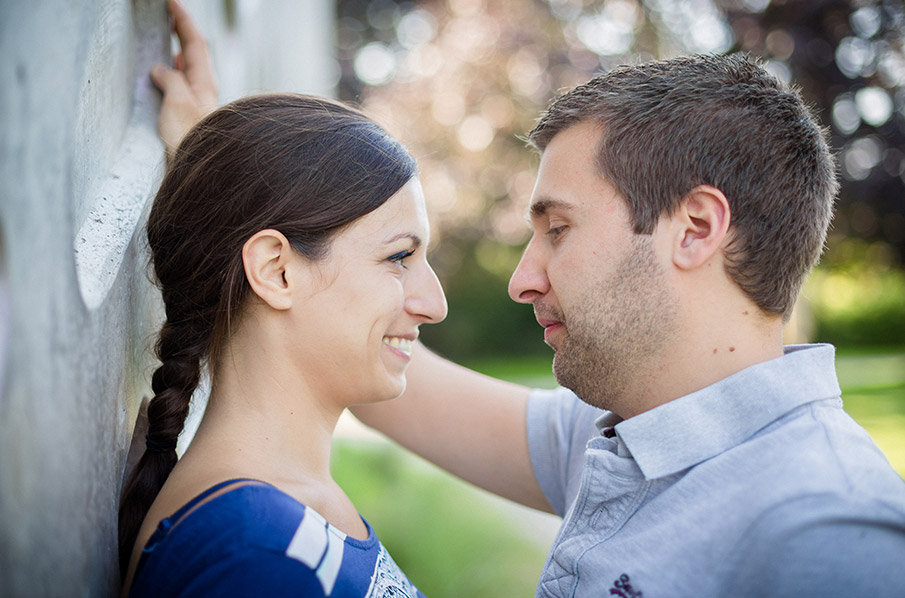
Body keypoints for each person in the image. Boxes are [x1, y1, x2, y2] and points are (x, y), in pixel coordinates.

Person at [152, 2, 905, 596]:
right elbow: (350, 351)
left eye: (557, 228)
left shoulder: (829, 536)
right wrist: (224, 184)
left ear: (694, 229)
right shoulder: (623, 440)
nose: (521, 278)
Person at [118, 89, 447, 595]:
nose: (435, 304)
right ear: (276, 271)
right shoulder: (253, 552)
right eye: (399, 256)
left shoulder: (274, 521)